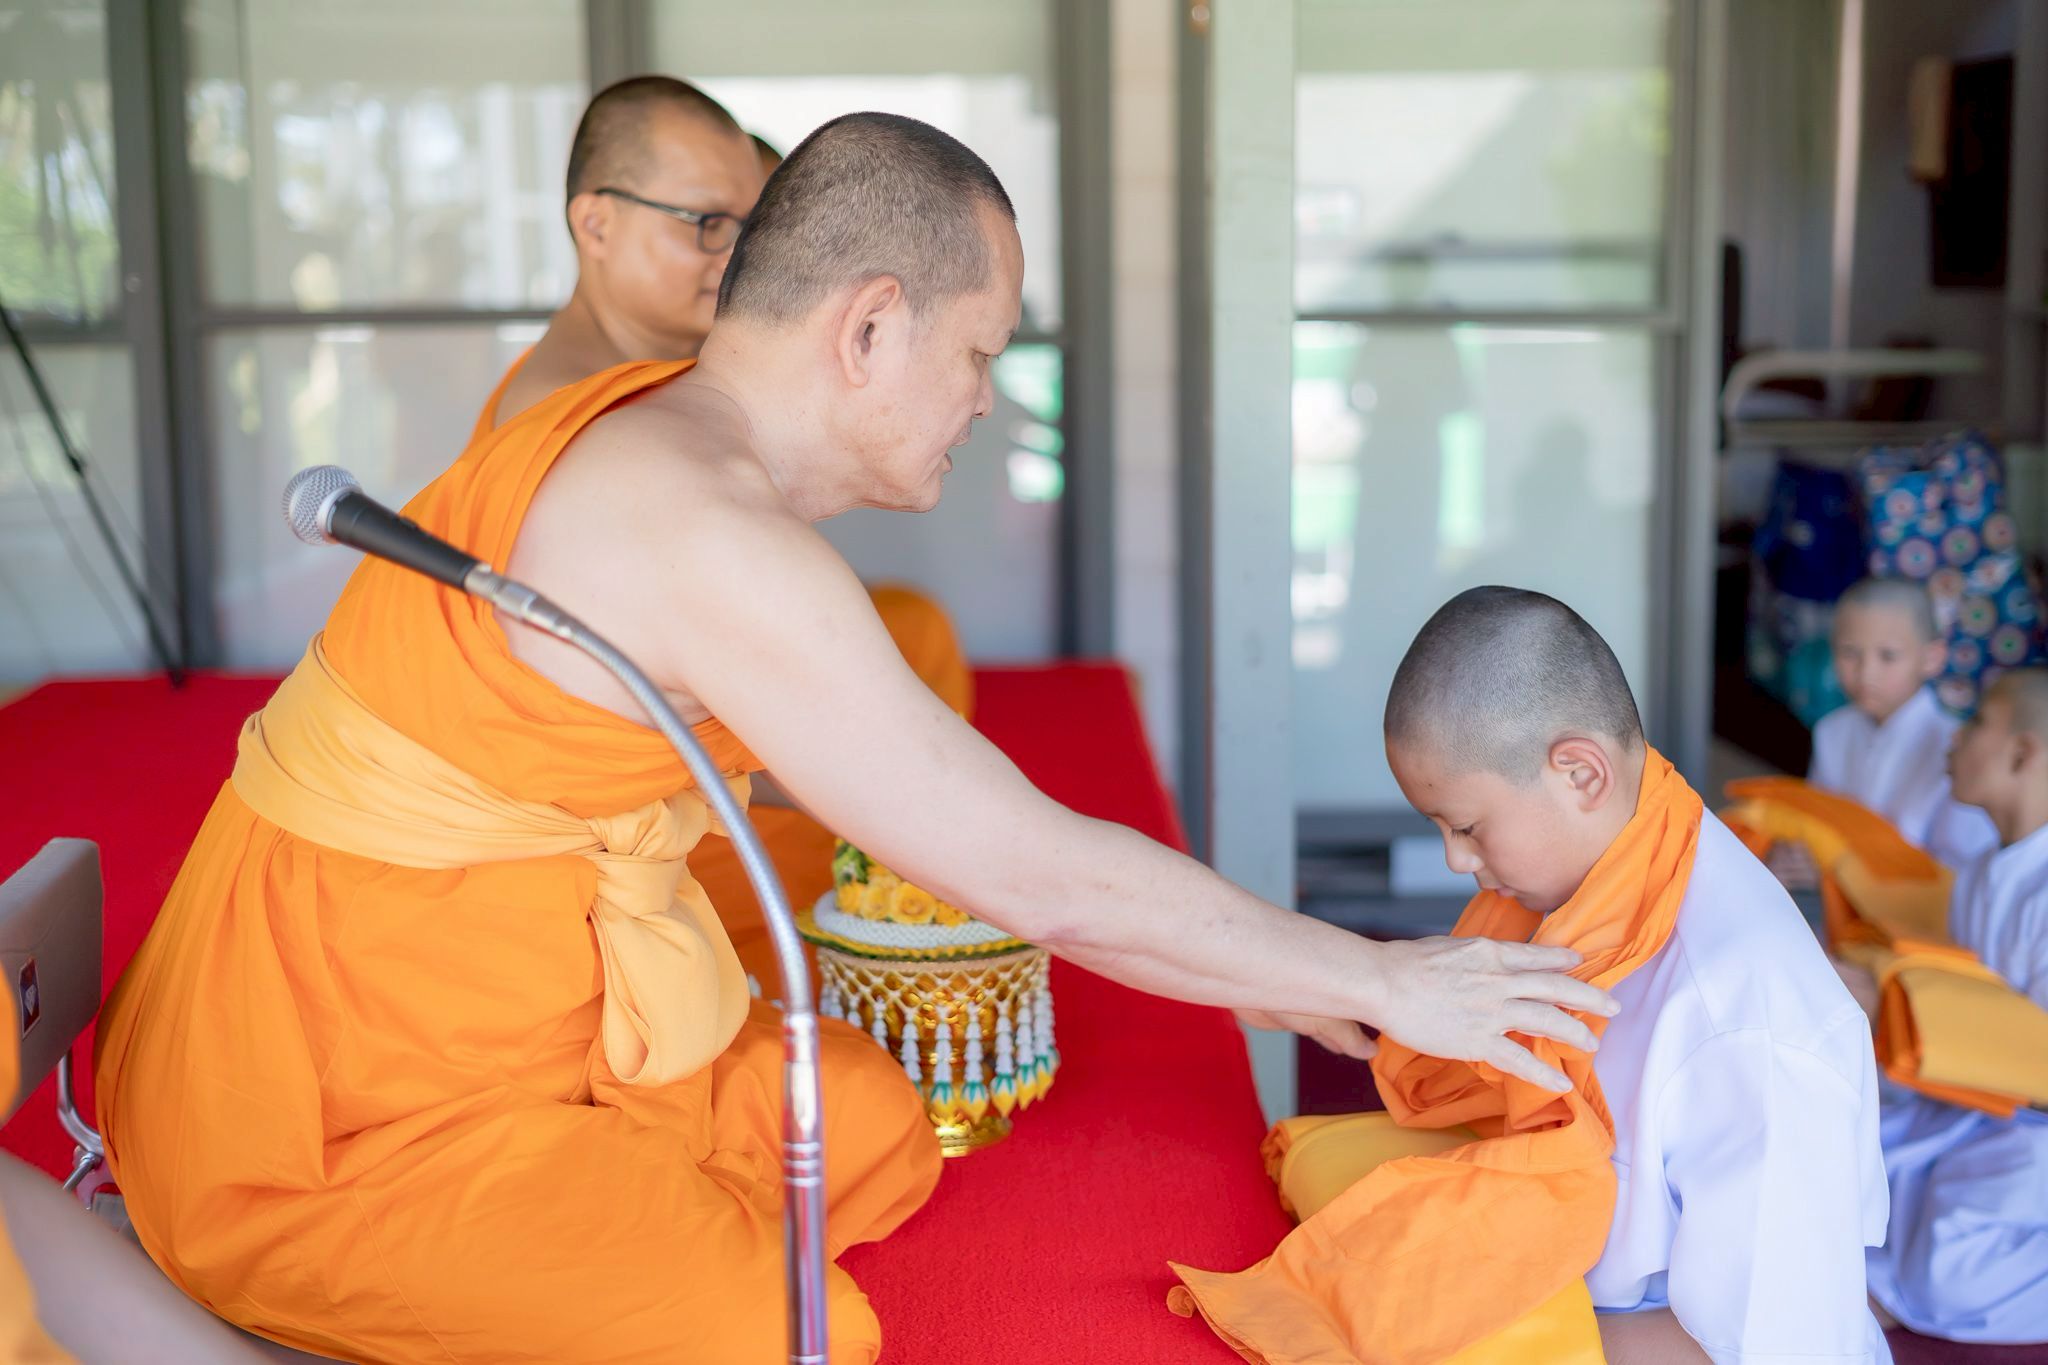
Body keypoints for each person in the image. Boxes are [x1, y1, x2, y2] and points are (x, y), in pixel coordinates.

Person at [95, 117, 1612, 1363]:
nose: (985, 401)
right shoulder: (705, 528)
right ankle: (217, 1283)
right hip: (340, 1089)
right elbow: (1046, 878)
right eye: (976, 351)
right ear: (870, 324)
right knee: (771, 1320)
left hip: (523, 1005)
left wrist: (1321, 985)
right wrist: (1369, 971)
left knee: (877, 1130)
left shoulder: (676, 435)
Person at [1172, 588, 1890, 1364]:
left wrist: (1484, 1340)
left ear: (1581, 772)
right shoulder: (1606, 871)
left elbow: (1766, 1348)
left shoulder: (1745, 1020)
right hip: (1563, 1290)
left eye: (1467, 827)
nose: (1455, 859)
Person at [475, 78, 969, 981]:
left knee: (913, 629)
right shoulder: (580, 416)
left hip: (694, 714)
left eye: (752, 226)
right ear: (596, 225)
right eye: (705, 224)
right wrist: (894, 787)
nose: (738, 256)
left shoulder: (658, 368)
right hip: (631, 801)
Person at [1863, 667, 2048, 1344]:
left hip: (2035, 1129)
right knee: (1849, 1161)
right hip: (1981, 1112)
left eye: (1974, 723)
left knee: (1948, 1272)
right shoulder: (1980, 875)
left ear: (2023, 754)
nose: (1953, 737)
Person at [1803, 578, 1998, 874]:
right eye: (1850, 653)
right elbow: (1816, 822)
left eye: (1888, 656)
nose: (1866, 673)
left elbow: (1958, 869)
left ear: (1932, 658)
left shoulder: (1954, 747)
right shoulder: (1831, 731)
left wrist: (1840, 865)